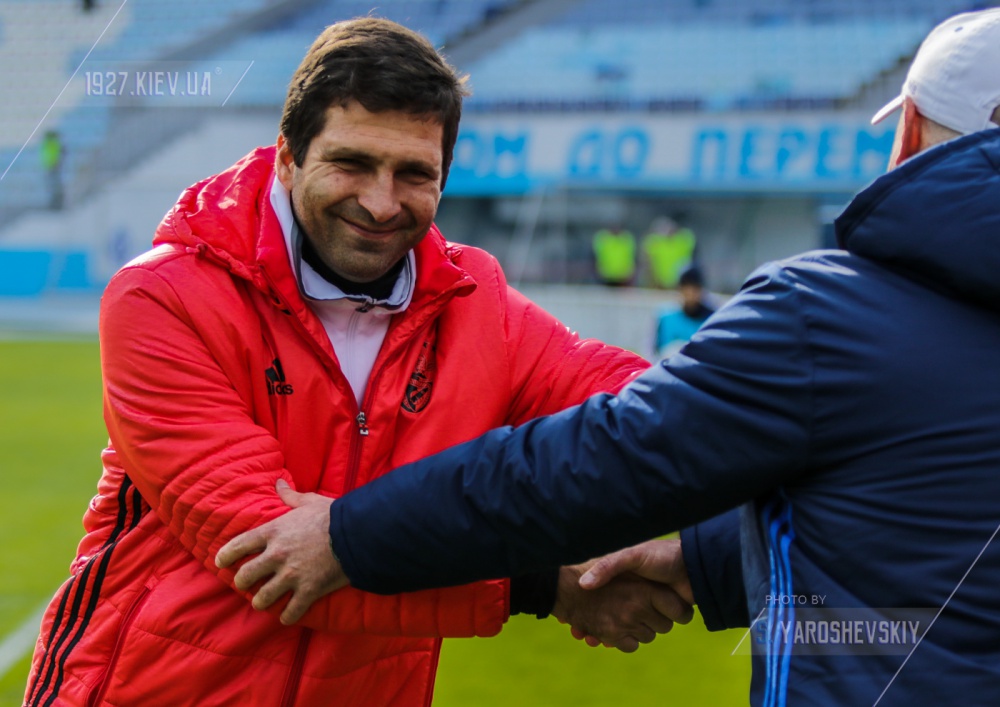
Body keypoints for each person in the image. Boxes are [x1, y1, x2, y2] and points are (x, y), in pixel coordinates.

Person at [216, 9, 1000, 705]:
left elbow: (608, 455)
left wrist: (351, 534)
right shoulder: (180, 293)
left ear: (909, 130)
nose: (382, 200)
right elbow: (911, 527)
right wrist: (700, 559)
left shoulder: (828, 315)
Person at [23, 18, 691, 707]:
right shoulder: (164, 296)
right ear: (288, 157)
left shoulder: (475, 303)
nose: (380, 202)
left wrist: (713, 537)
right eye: (352, 163)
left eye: (414, 173)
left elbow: (650, 411)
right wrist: (538, 582)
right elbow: (273, 557)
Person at [652, 265, 715, 359]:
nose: (690, 293)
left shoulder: (711, 319)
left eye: (694, 289)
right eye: (686, 288)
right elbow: (654, 350)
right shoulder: (666, 317)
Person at [640, 216, 696, 289]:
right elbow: (647, 262)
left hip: (678, 282)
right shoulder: (654, 242)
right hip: (659, 284)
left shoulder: (683, 240)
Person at [40, 129, 64, 210]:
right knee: (53, 186)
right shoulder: (51, 144)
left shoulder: (51, 144)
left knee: (54, 186)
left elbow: (54, 156)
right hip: (51, 167)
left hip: (53, 167)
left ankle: (56, 203)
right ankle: (54, 203)